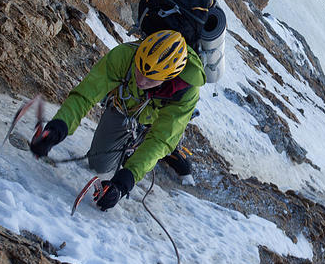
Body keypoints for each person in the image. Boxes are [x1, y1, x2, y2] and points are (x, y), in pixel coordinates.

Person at [29, 29, 204, 210]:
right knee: (99, 165)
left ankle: (170, 151)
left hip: (158, 119)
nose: (141, 81)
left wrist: (124, 182)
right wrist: (59, 128)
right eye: (139, 69)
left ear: (169, 78)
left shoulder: (186, 93)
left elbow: (161, 139)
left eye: (151, 79)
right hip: (126, 107)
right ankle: (134, 148)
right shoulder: (125, 55)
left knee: (163, 142)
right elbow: (86, 94)